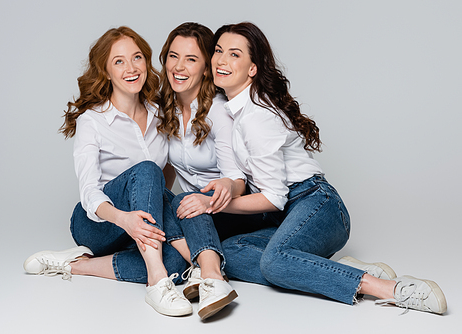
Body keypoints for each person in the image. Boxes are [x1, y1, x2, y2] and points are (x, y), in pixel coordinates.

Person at [212, 22, 447, 315]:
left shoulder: (256, 118)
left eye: (234, 54)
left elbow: (273, 198)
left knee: (274, 262)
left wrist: (214, 205)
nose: (221, 60)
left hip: (318, 205)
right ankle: (329, 270)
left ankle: (391, 289)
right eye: (219, 51)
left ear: (252, 68)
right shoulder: (232, 109)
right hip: (286, 217)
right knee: (227, 254)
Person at [23, 26, 192, 317]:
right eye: (119, 61)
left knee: (177, 263)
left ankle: (77, 265)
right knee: (147, 169)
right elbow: (89, 192)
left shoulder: (160, 114)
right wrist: (124, 219)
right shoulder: (93, 121)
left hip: (140, 226)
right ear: (106, 71)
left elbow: (163, 180)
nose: (131, 68)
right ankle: (156, 282)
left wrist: (149, 209)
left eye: (137, 57)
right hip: (98, 223)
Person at [158, 22, 254, 320]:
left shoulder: (219, 111)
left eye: (191, 59)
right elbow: (171, 170)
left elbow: (236, 180)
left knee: (180, 205)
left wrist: (210, 197)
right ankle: (202, 266)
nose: (179, 66)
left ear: (206, 68)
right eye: (173, 56)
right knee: (162, 222)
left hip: (229, 208)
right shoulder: (167, 108)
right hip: (193, 211)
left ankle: (212, 278)